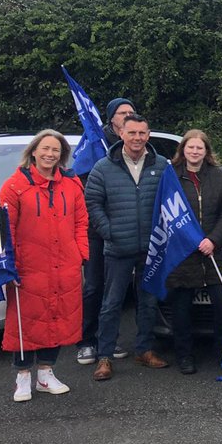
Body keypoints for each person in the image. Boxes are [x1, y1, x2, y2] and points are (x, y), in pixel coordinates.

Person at [0, 130, 89, 402]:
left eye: (56, 150)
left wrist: (81, 254)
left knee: (59, 318)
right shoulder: (14, 186)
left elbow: (81, 222)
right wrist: (10, 265)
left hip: (66, 265)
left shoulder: (72, 185)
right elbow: (6, 229)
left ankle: (46, 374)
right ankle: (23, 376)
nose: (50, 154)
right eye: (45, 148)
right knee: (26, 322)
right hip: (29, 266)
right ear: (34, 151)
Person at [84, 113, 169, 380]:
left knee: (148, 302)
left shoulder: (162, 165)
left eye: (142, 133)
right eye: (132, 133)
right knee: (112, 303)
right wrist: (109, 232)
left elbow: (171, 202)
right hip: (118, 248)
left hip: (151, 248)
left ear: (149, 135)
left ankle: (144, 349)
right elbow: (93, 203)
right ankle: (105, 356)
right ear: (121, 133)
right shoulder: (103, 167)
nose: (137, 138)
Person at [166, 130, 222, 375]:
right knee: (182, 308)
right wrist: (191, 241)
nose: (195, 152)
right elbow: (165, 213)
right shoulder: (170, 177)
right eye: (190, 147)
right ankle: (184, 356)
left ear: (207, 152)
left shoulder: (220, 177)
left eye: (200, 148)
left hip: (213, 252)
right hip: (182, 252)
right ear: (183, 150)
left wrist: (213, 240)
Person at [77, 97, 136, 365]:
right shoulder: (94, 143)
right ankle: (87, 341)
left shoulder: (136, 143)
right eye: (122, 113)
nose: (126, 116)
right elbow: (87, 188)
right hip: (97, 230)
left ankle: (107, 340)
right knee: (93, 286)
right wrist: (105, 225)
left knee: (116, 290)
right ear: (111, 119)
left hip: (125, 230)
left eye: (130, 112)